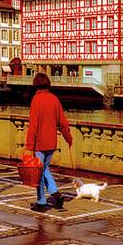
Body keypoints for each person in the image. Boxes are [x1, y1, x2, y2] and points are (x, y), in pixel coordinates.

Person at [24, 72, 73, 212]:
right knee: (44, 169)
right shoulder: (54, 99)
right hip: (51, 143)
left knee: (39, 173)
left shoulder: (36, 100)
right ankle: (55, 194)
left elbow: (33, 125)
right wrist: (68, 138)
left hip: (39, 143)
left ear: (35, 85)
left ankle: (41, 202)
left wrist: (28, 146)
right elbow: (63, 122)